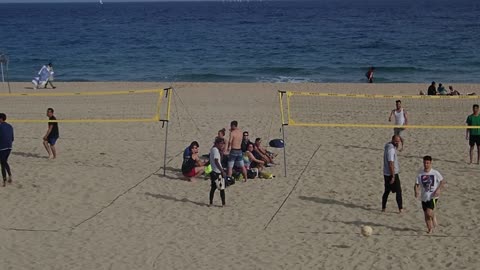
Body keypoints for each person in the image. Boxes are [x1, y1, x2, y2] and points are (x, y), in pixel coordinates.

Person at [414, 156, 445, 234]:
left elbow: (442, 181)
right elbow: (416, 184)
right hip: (424, 197)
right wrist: (416, 191)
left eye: (428, 163)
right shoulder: (420, 173)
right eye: (425, 163)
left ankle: (434, 216)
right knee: (426, 215)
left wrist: (438, 189)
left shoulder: (435, 172)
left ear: (431, 163)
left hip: (433, 196)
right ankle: (430, 229)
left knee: (429, 212)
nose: (426, 164)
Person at [382, 135, 404, 213]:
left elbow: (397, 144)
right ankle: (400, 209)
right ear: (392, 140)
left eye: (398, 141)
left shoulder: (388, 145)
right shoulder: (391, 149)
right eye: (396, 141)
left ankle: (383, 208)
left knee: (387, 191)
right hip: (391, 173)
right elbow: (391, 163)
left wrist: (401, 142)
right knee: (398, 191)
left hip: (386, 173)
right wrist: (393, 176)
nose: (397, 143)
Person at [209, 137, 226, 207]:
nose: (222, 145)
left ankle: (211, 203)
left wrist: (221, 152)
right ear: (217, 143)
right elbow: (216, 161)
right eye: (221, 143)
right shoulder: (215, 150)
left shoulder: (213, 149)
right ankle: (223, 203)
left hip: (213, 171)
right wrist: (222, 171)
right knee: (222, 188)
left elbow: (219, 160)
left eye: (223, 143)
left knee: (213, 188)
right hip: (217, 172)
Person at [0, 113, 13, 187]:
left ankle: (4, 181)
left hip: (2, 148)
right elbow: (12, 138)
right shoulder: (10, 126)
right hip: (9, 147)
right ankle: (10, 176)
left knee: (2, 163)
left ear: (1, 119)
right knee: (4, 162)